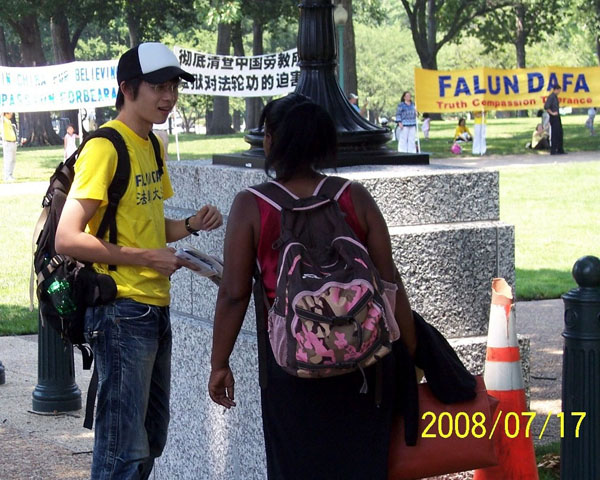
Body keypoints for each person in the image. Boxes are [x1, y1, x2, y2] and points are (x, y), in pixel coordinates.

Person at [208, 94, 416, 480]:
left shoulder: (252, 206)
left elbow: (234, 294)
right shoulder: (353, 196)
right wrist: (412, 352)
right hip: (365, 361)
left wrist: (219, 364)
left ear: (270, 140)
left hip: (292, 368)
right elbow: (390, 282)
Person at [55, 42, 223, 480]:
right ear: (127, 88)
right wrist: (147, 257)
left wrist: (191, 224)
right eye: (158, 87)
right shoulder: (105, 148)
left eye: (174, 87)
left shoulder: (151, 144)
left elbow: (143, 222)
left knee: (150, 440)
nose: (169, 97)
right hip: (120, 312)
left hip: (153, 309)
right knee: (122, 452)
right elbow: (67, 237)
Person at [544, 84, 565, 154]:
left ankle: (559, 149)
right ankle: (553, 150)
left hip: (557, 116)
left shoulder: (555, 97)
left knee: (559, 133)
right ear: (556, 90)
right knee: (555, 134)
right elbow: (546, 107)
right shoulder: (551, 97)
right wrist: (552, 113)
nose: (559, 92)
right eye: (559, 90)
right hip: (554, 117)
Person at [2, 112, 17, 181]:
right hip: (8, 142)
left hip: (13, 142)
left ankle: (10, 174)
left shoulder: (9, 121)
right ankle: (7, 176)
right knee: (8, 160)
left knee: (13, 160)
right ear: (6, 113)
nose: (11, 114)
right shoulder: (3, 120)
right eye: (10, 113)